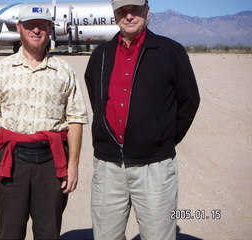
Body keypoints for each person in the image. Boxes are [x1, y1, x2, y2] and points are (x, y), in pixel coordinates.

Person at [84, 0, 200, 239]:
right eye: (122, 11)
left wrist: (160, 137)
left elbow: (190, 100)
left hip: (153, 168)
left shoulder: (170, 51)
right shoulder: (101, 55)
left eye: (135, 10)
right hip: (109, 167)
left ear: (147, 12)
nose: (129, 16)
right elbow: (96, 95)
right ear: (115, 14)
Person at [0, 4, 88, 240]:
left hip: (52, 163)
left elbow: (76, 120)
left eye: (42, 26)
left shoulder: (64, 71)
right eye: (30, 25)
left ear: (50, 30)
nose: (36, 30)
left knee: (48, 233)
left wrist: (73, 164)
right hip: (10, 160)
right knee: (10, 232)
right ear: (19, 28)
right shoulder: (0, 70)